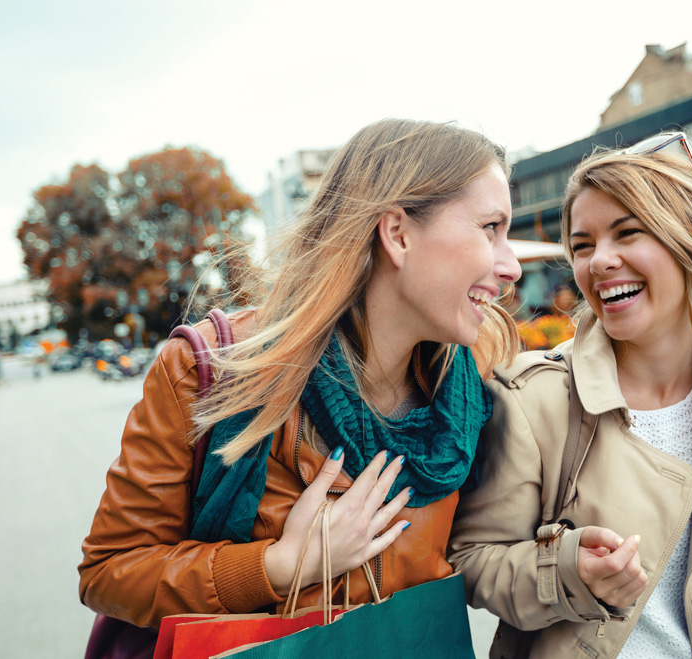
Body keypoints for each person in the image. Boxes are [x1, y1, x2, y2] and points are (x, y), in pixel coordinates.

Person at [78, 118, 522, 629]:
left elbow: (483, 552)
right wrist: (282, 566)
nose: (510, 265)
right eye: (491, 229)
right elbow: (109, 572)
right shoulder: (215, 369)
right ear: (397, 233)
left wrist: (566, 568)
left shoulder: (472, 389)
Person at [448, 132, 692, 659]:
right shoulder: (531, 398)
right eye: (582, 246)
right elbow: (473, 561)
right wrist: (568, 572)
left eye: (627, 233)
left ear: (689, 240)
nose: (599, 261)